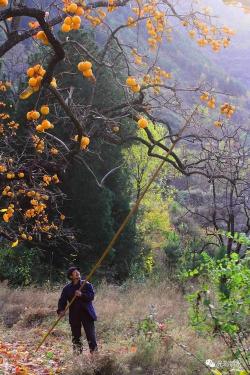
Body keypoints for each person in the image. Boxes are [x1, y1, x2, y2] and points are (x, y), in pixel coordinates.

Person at [57, 266, 98, 354]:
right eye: (74, 272)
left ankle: (95, 357)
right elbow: (62, 300)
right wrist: (61, 310)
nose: (77, 273)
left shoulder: (86, 284)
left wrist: (82, 294)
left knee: (91, 336)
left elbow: (91, 296)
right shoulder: (67, 288)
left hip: (87, 314)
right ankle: (77, 357)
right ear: (71, 276)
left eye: (77, 271)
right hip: (74, 315)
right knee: (76, 337)